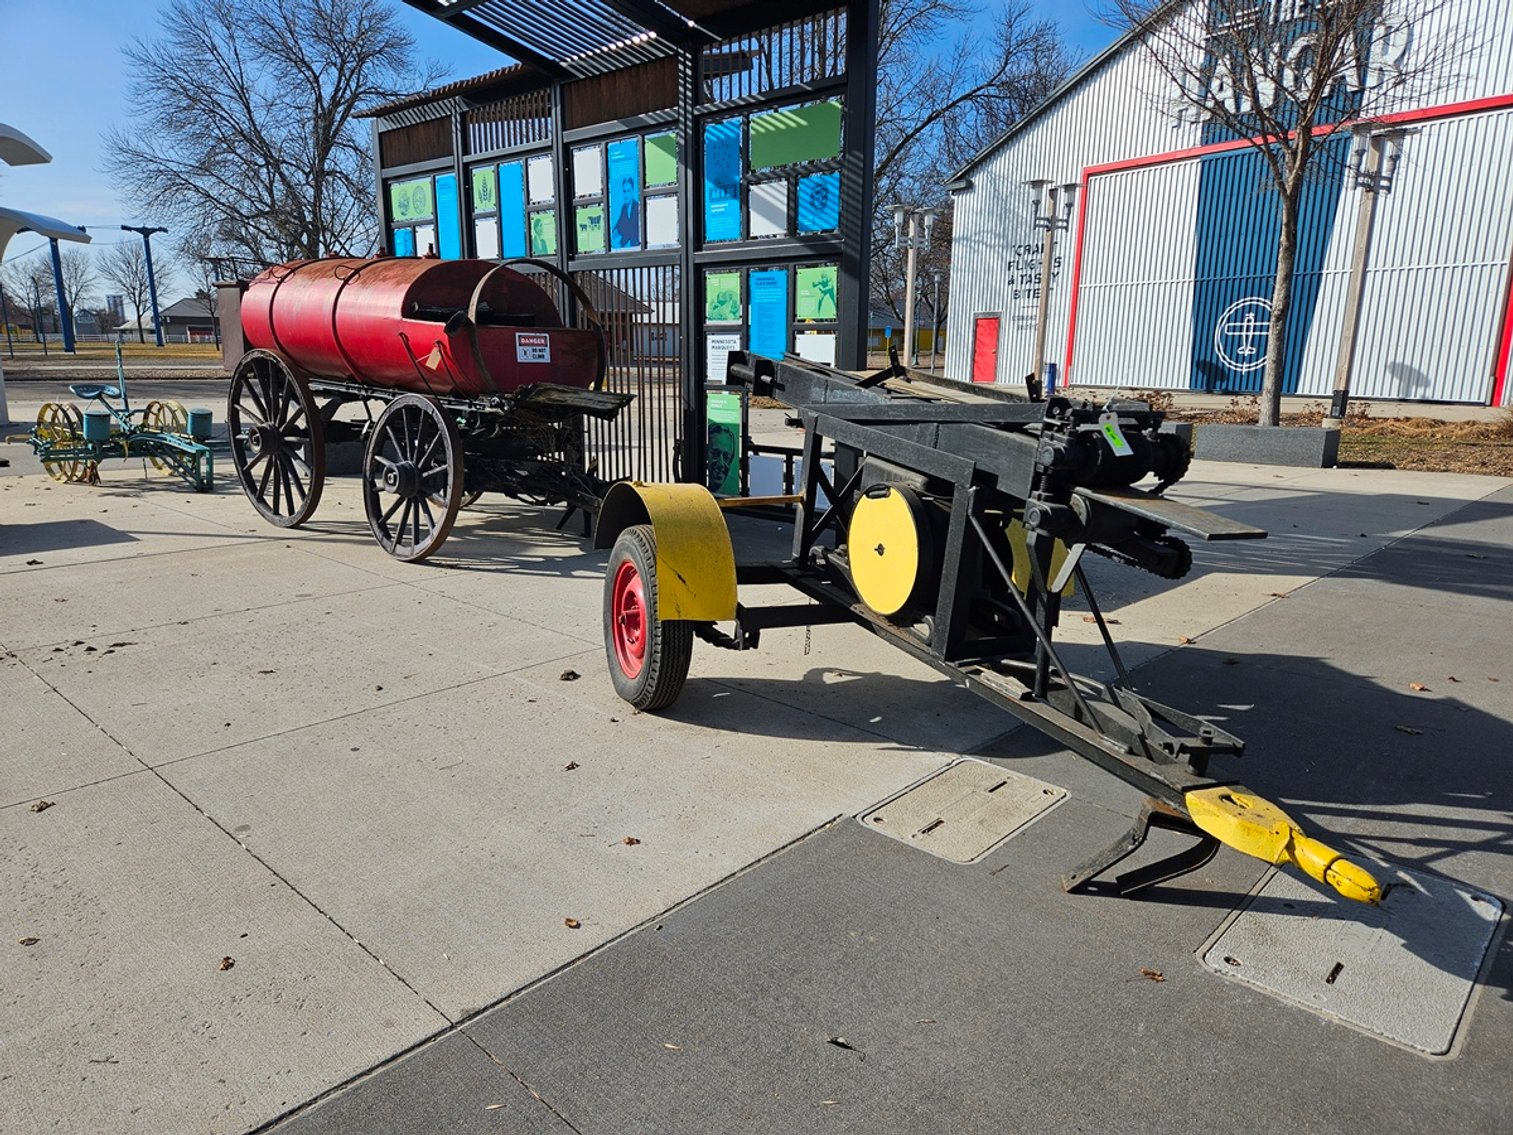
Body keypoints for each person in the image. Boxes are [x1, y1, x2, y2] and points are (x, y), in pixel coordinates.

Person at [612, 177, 640, 247]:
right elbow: (619, 223)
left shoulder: (637, 207)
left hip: (635, 246)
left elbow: (632, 230)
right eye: (624, 191)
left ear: (632, 191)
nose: (626, 195)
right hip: (627, 246)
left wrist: (621, 243)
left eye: (628, 191)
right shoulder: (624, 207)